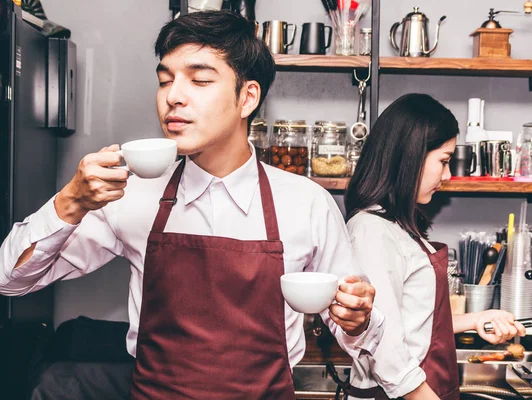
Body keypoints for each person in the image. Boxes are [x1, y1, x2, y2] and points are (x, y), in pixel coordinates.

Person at [0, 11, 384, 399]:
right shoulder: (131, 195)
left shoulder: (307, 203)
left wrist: (356, 317)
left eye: (199, 80)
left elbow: (357, 334)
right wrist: (70, 202)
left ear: (247, 97)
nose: (172, 97)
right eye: (165, 80)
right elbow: (10, 281)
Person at [341, 94, 526, 400]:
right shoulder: (371, 230)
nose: (447, 175)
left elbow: (414, 319)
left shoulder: (399, 226)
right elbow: (383, 342)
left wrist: (476, 319)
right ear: (410, 156)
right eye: (443, 160)